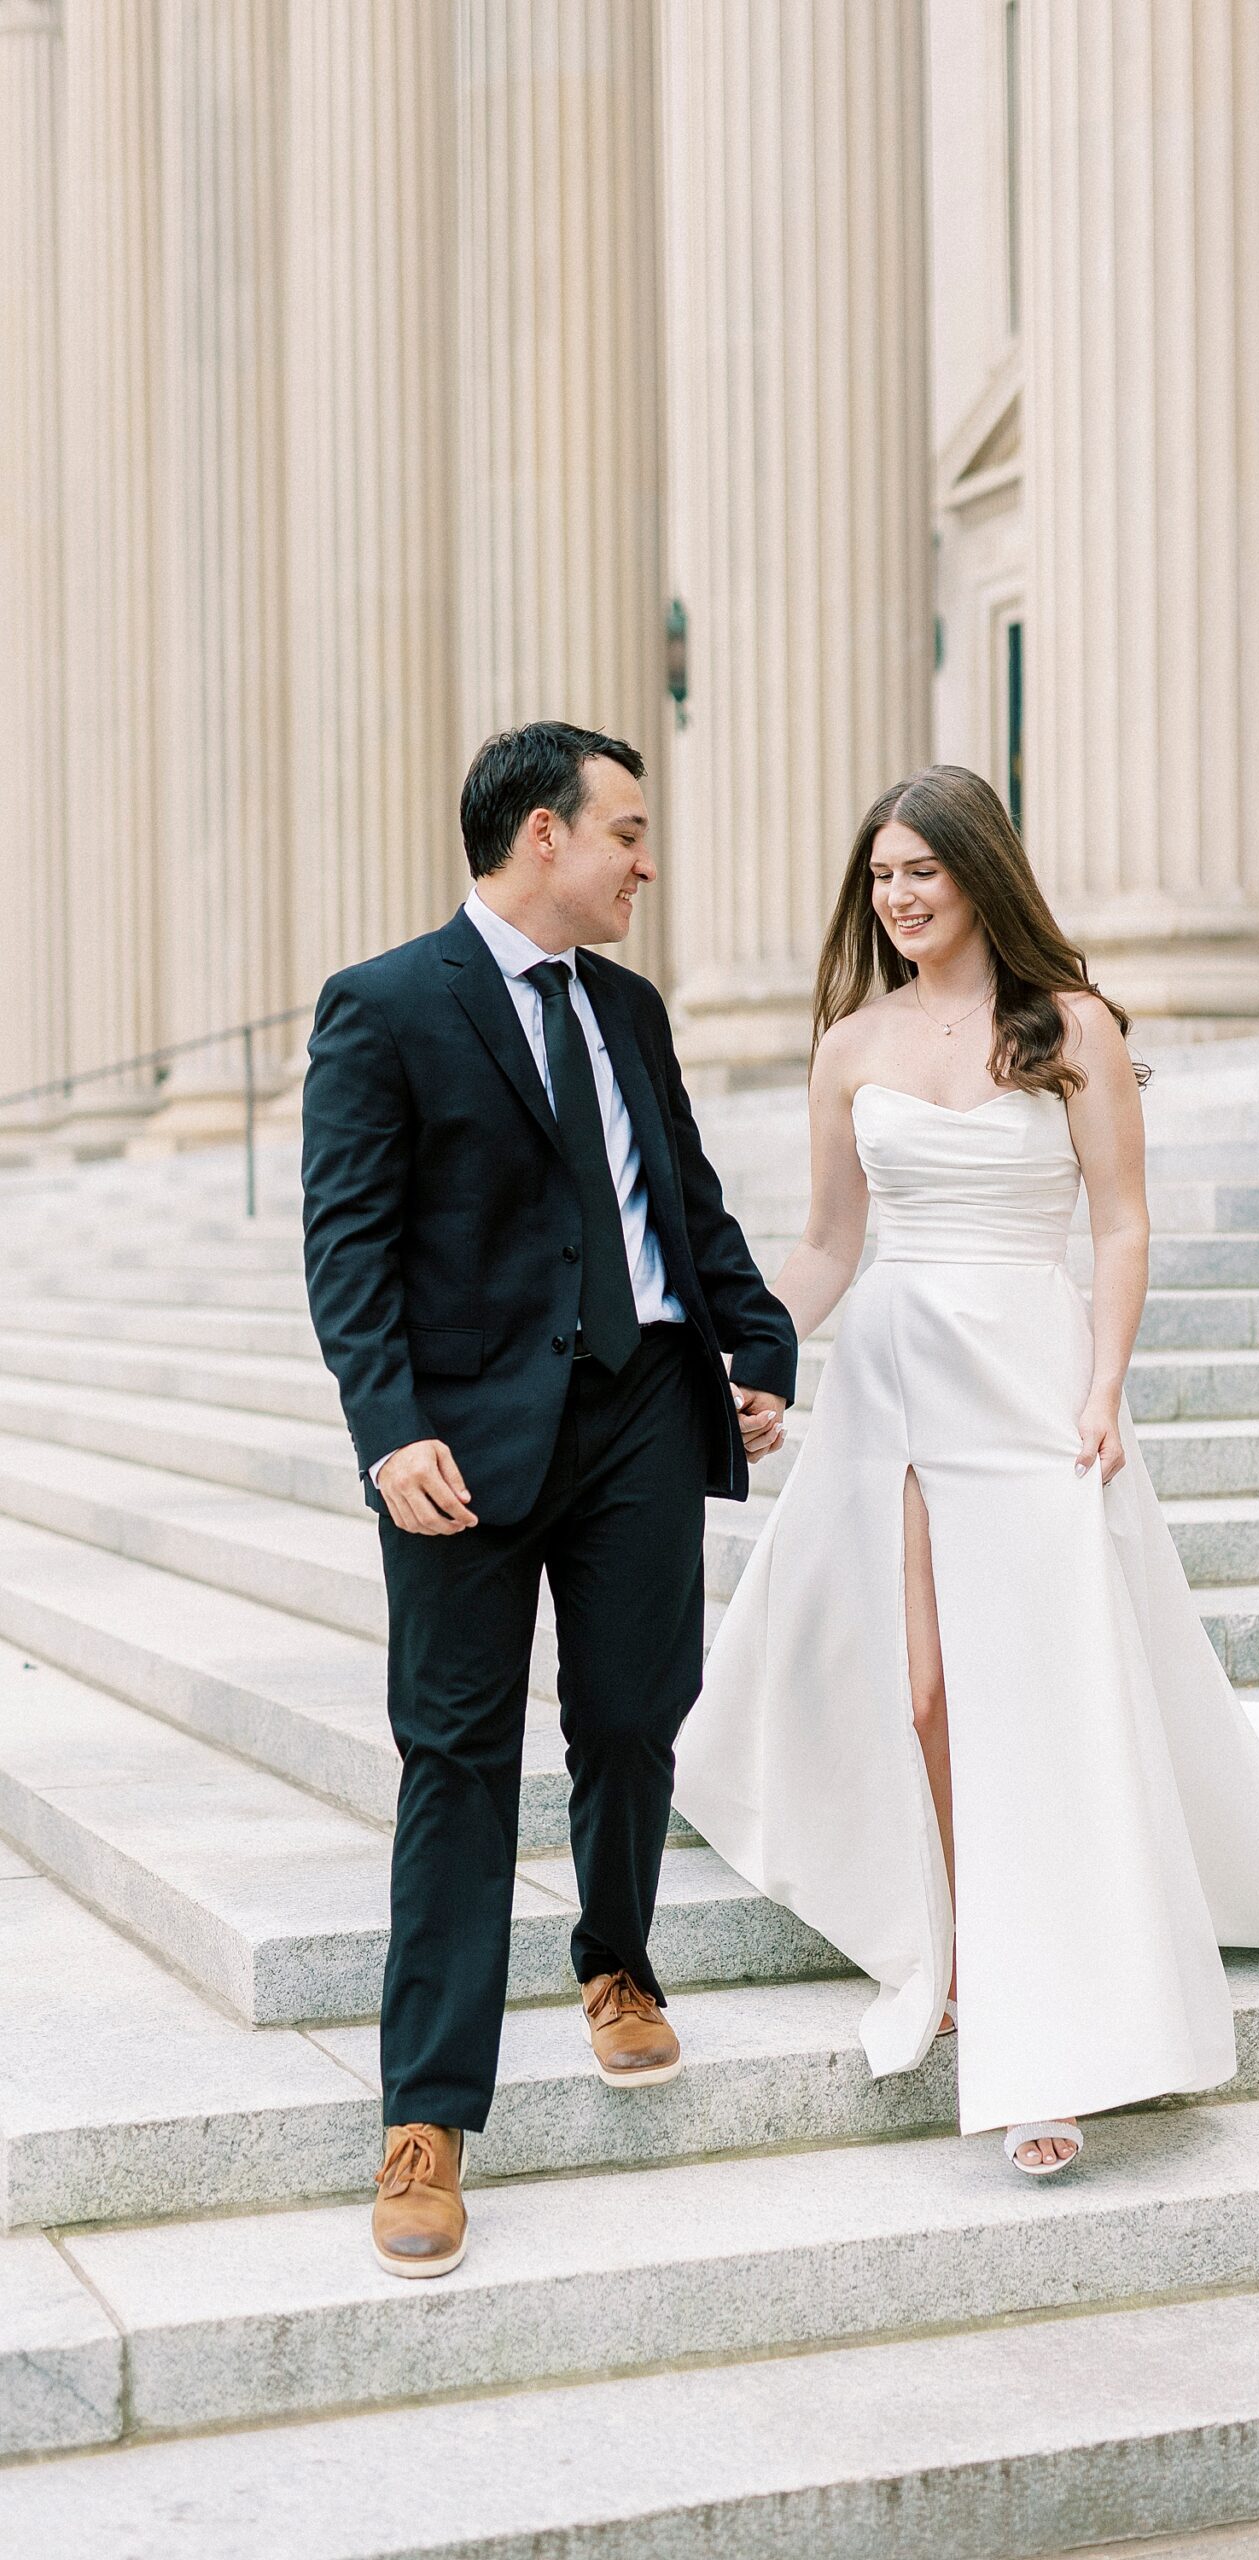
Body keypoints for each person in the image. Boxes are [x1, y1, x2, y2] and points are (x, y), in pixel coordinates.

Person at [674, 764, 1259, 2177]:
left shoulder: (1069, 1027)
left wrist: (1104, 1385)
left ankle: (1045, 2026)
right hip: (891, 1382)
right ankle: (948, 1945)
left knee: (1041, 1697)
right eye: (880, 874)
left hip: (1029, 1383)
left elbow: (1123, 1227)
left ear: (978, 874)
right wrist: (747, 1353)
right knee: (926, 1687)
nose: (896, 896)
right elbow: (830, 1243)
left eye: (920, 872)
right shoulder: (850, 1046)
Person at [301, 722, 795, 2275]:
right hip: (459, 1444)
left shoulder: (633, 1010)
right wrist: (388, 1431)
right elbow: (348, 1248)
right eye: (626, 833)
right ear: (540, 835)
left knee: (640, 1714)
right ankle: (425, 2119)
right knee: (455, 1759)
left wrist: (757, 1342)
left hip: (643, 1410)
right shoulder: (386, 1007)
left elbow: (682, 1203)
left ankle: (617, 1963)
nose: (645, 862)